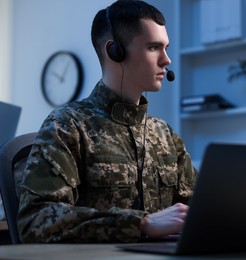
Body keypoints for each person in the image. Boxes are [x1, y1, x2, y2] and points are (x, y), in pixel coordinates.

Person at [17, 0, 197, 243]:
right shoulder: (67, 125)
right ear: (115, 51)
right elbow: (36, 221)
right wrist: (141, 224)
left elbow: (198, 211)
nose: (167, 60)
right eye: (154, 48)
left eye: (165, 48)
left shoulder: (166, 135)